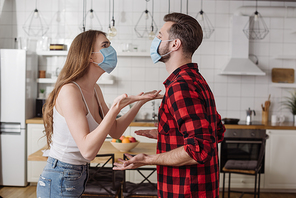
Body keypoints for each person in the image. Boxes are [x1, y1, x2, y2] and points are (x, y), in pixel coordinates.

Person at [36, 30, 161, 198]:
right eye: (105, 45)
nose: (111, 49)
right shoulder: (70, 91)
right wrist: (115, 108)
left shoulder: (95, 89)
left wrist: (139, 102)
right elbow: (88, 151)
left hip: (76, 175)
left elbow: (115, 130)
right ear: (90, 57)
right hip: (60, 175)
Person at [114, 13, 226, 198]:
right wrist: (166, 134)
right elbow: (216, 132)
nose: (155, 41)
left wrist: (148, 159)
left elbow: (199, 149)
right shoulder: (196, 80)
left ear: (175, 44)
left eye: (159, 36)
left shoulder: (181, 86)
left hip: (186, 191)